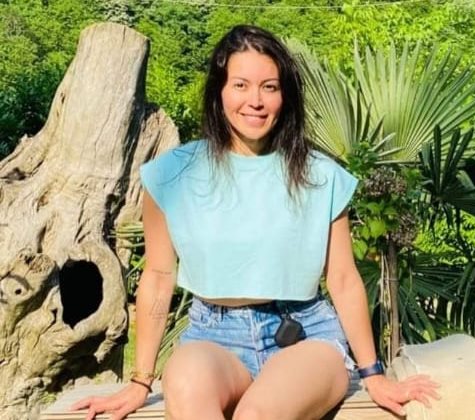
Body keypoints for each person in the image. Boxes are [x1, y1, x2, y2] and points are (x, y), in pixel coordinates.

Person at [71, 25, 439, 420]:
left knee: (255, 416)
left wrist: (373, 374)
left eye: (270, 87)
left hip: (304, 337)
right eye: (241, 85)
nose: (256, 101)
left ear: (285, 95)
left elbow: (343, 279)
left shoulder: (321, 176)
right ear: (219, 91)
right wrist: (140, 381)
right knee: (188, 390)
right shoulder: (171, 175)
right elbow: (159, 276)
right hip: (212, 337)